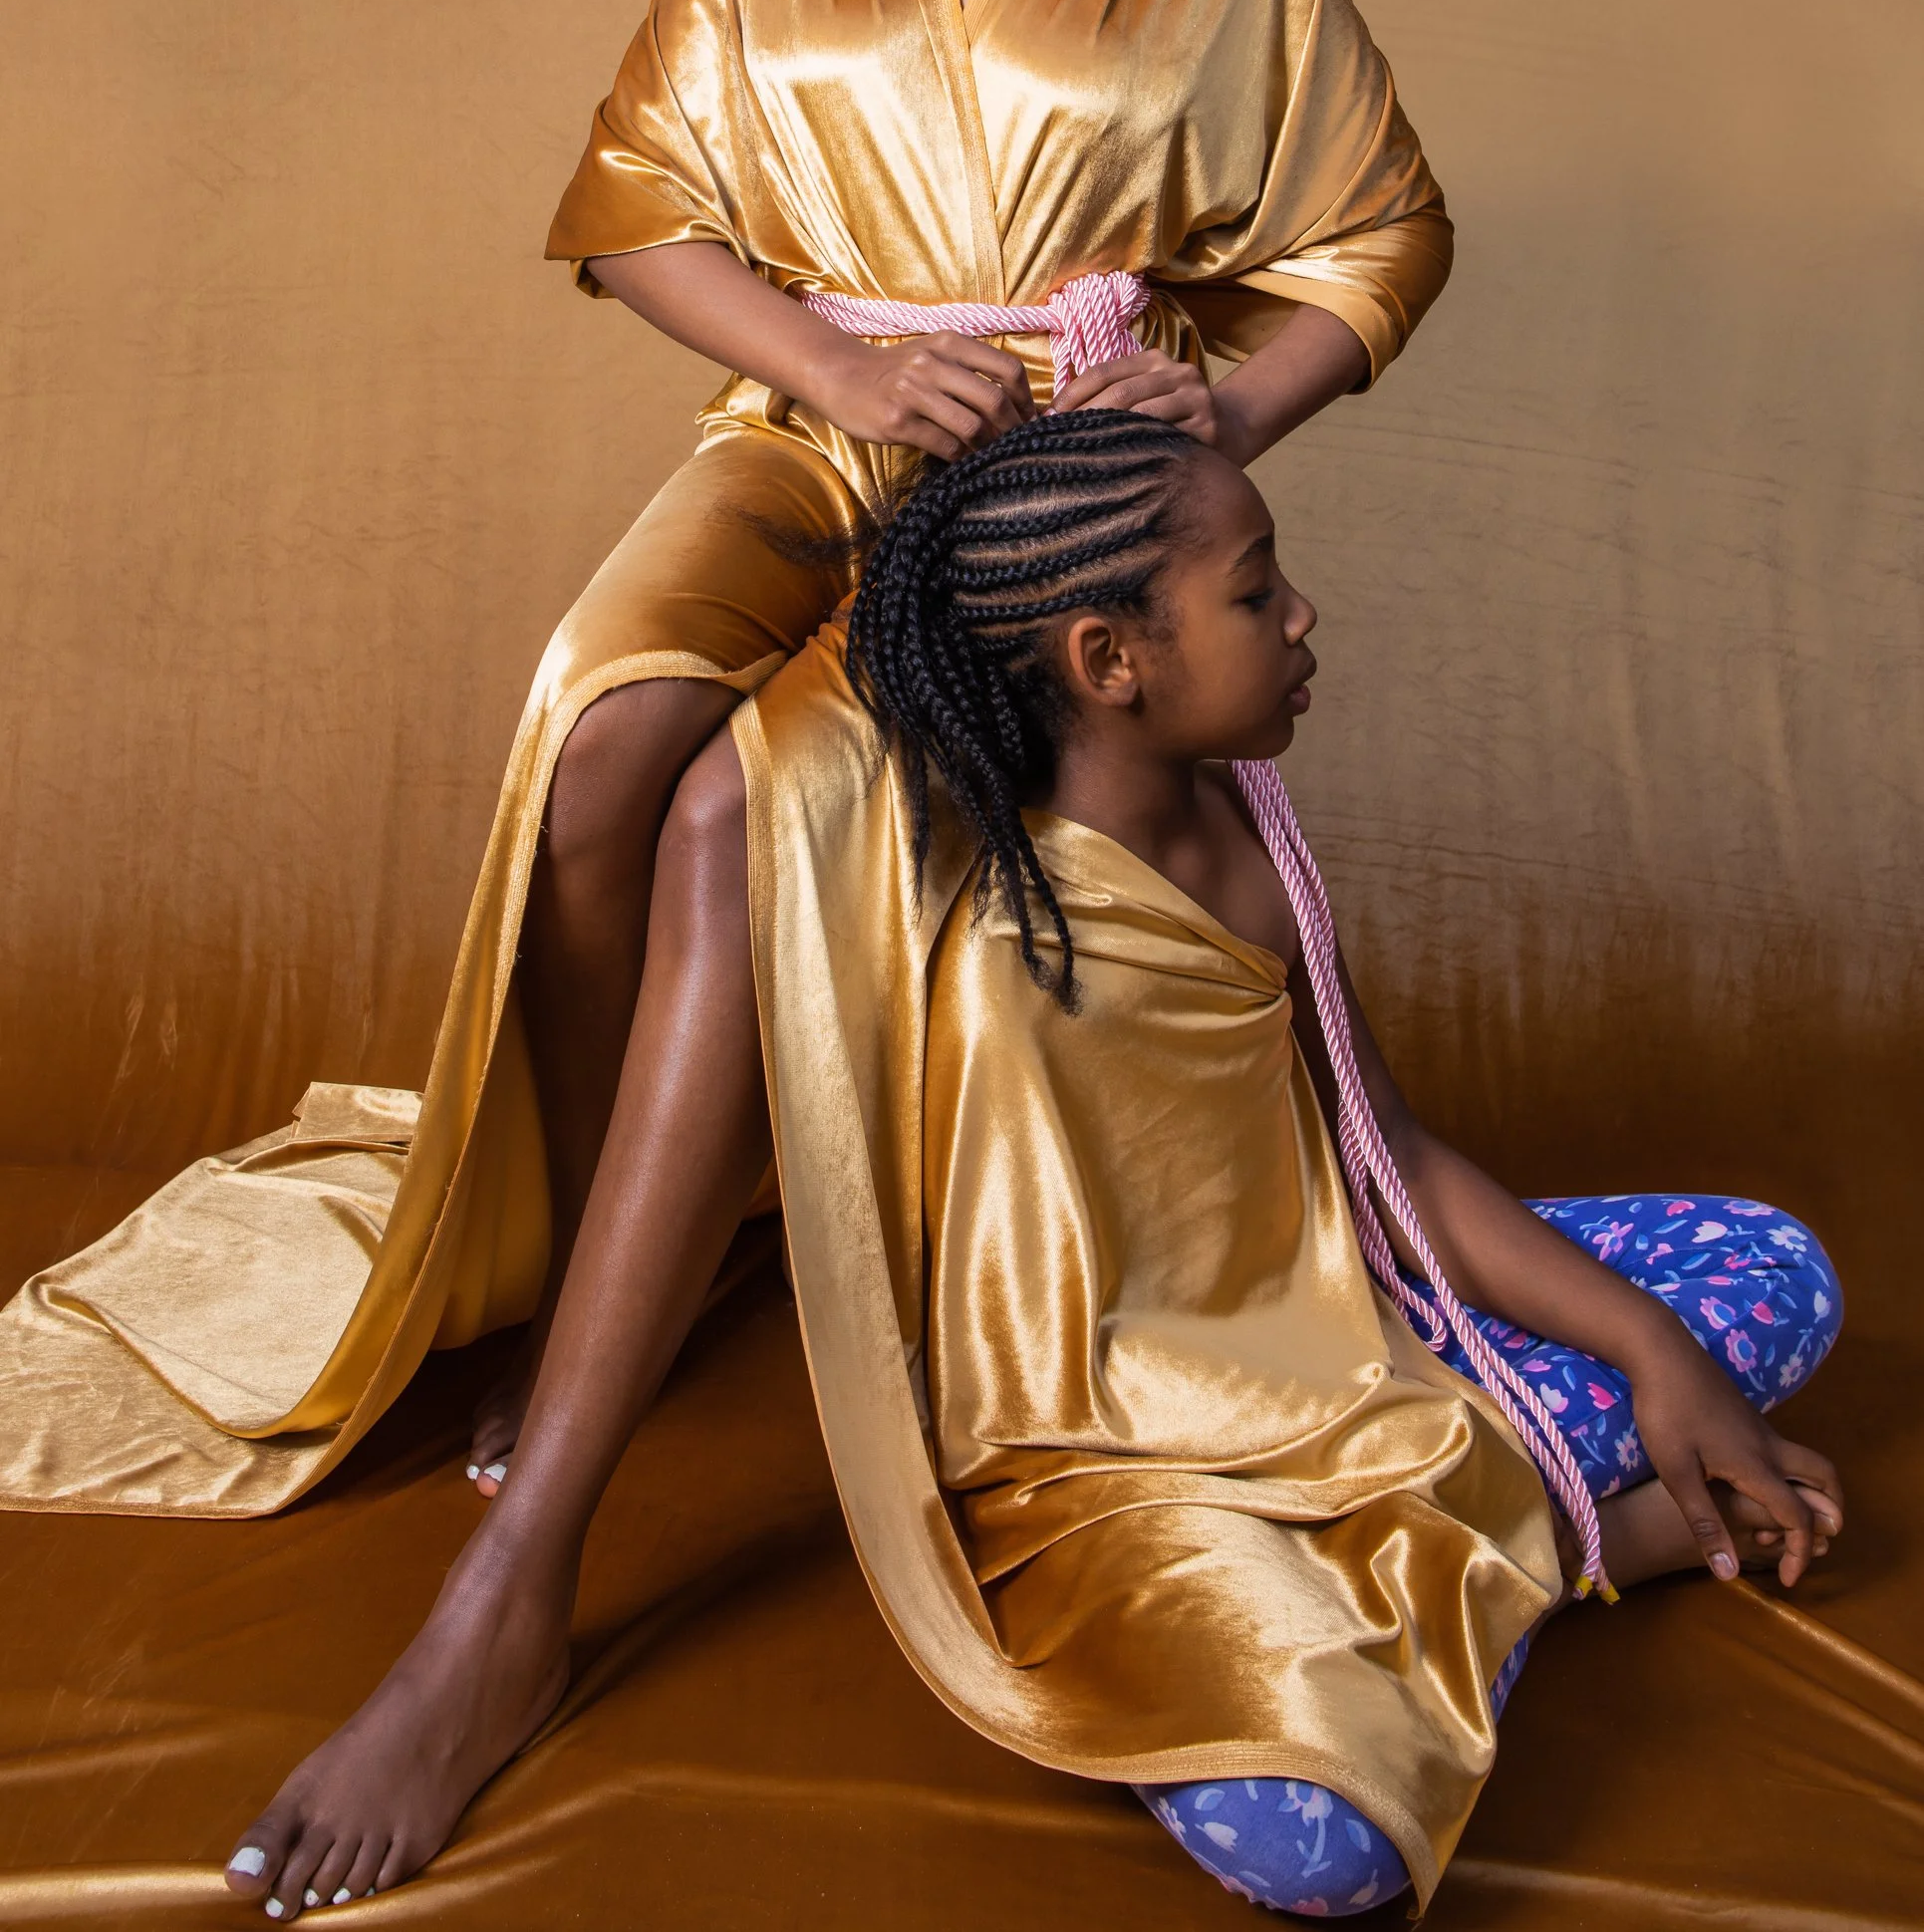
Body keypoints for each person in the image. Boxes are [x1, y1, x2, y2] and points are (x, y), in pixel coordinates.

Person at [0, 0, 1448, 1521]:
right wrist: (843, 360)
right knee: (604, 730)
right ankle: (587, 1253)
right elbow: (639, 207)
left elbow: (1376, 236)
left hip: (1043, 495)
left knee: (744, 803)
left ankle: (714, 1252)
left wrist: (1203, 427)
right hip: (804, 427)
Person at [220, 412, 1843, 1915]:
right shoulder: (938, 892)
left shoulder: (1255, 835)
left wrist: (1652, 1344)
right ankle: (1552, 1538)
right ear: (1106, 657)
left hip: (1348, 1344)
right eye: (1254, 590)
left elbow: (1388, 1152)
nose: (1301, 616)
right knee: (1325, 1847)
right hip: (1124, 1459)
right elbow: (747, 829)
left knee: (1776, 1270)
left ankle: (1466, 1532)